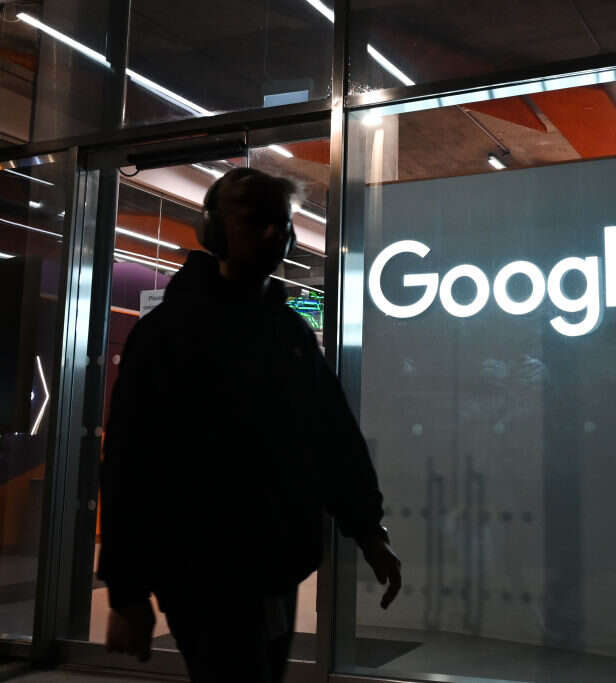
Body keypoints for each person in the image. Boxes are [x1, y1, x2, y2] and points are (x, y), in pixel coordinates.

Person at [98, 168, 401, 682]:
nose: (273, 235)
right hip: (201, 569)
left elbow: (332, 437)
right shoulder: (167, 333)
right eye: (255, 220)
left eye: (282, 224)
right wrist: (126, 591)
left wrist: (368, 527)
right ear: (214, 230)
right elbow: (131, 461)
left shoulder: (289, 331)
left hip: (277, 565)